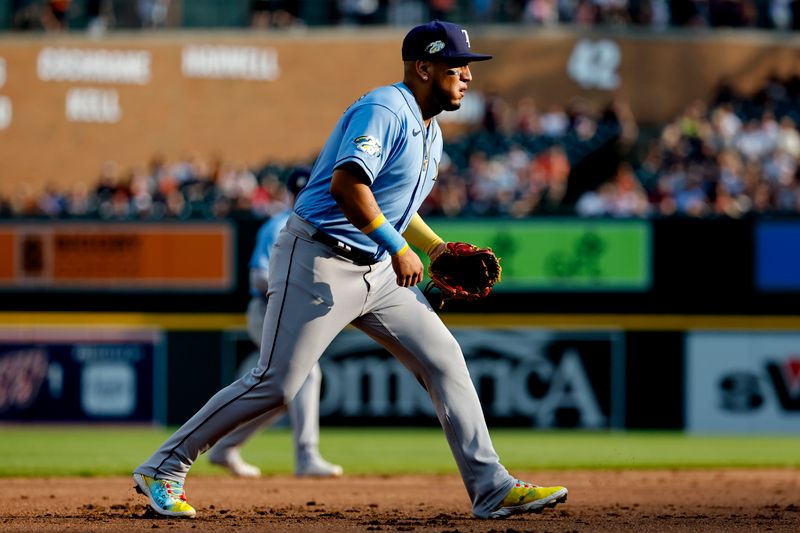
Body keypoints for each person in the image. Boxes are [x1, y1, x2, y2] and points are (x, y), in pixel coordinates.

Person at [132, 20, 568, 520]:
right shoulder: (384, 108)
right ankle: (163, 466)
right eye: (456, 64)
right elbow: (347, 186)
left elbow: (395, 205)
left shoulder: (433, 133)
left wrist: (434, 250)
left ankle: (491, 487)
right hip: (318, 257)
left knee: (444, 359)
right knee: (277, 382)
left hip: (379, 273)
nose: (468, 75)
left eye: (468, 66)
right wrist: (395, 245)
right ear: (423, 68)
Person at [206, 167, 343, 479]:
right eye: (300, 192)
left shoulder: (325, 224)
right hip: (266, 310)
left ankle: (226, 447)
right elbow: (257, 274)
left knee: (284, 389)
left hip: (294, 313)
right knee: (306, 375)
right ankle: (307, 456)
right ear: (293, 195)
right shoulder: (279, 224)